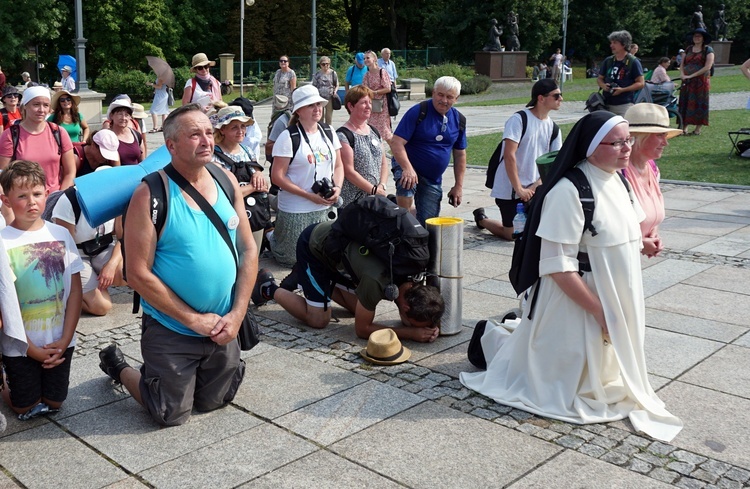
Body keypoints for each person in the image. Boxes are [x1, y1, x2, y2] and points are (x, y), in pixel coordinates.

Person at [460, 111, 684, 443]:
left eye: (628, 140)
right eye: (618, 142)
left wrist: (642, 243)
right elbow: (557, 266)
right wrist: (598, 310)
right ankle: (490, 339)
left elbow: (619, 233)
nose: (627, 148)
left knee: (600, 365)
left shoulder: (620, 180)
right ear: (592, 146)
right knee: (558, 376)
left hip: (611, 293)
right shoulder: (568, 192)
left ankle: (507, 335)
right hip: (577, 297)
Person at [97, 104, 257, 427]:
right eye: (194, 134)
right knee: (170, 412)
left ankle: (182, 375)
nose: (207, 141)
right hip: (172, 327)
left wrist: (237, 315)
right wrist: (194, 320)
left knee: (215, 401)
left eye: (209, 133)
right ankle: (121, 368)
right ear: (171, 145)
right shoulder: (151, 194)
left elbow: (249, 249)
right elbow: (137, 274)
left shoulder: (225, 180)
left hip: (223, 323)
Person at [252, 220, 444, 343]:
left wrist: (430, 326)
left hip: (341, 256)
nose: (409, 325)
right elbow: (362, 329)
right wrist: (410, 334)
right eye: (413, 322)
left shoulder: (414, 272)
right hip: (314, 246)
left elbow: (406, 318)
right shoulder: (376, 281)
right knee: (319, 319)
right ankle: (268, 287)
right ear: (406, 308)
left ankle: (310, 281)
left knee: (357, 309)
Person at [1, 160, 83, 420]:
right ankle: (4, 382)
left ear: (47, 193)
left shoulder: (61, 234)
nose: (31, 202)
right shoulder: (3, 240)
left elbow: (75, 291)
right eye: (22, 196)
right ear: (6, 199)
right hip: (20, 344)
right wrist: (29, 348)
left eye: (36, 194)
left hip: (59, 338)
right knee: (24, 406)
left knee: (54, 402)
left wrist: (65, 339)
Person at [474, 79, 563, 239]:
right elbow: (509, 155)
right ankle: (482, 220)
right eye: (556, 96)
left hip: (535, 187)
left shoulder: (554, 128)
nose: (561, 99)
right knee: (512, 235)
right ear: (541, 98)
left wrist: (536, 186)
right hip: (510, 188)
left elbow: (553, 163)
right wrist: (519, 188)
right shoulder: (519, 119)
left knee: (532, 231)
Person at [270, 85, 343, 267]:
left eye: (319, 104)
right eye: (311, 105)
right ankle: (271, 235)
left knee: (323, 256)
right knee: (291, 260)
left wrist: (338, 188)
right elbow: (277, 177)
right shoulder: (288, 137)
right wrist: (308, 195)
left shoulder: (328, 132)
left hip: (324, 206)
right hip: (297, 207)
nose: (317, 109)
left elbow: (339, 165)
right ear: (299, 111)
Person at [390, 76, 467, 226]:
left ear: (456, 98)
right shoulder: (419, 112)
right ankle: (401, 225)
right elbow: (396, 142)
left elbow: (460, 154)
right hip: (408, 165)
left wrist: (458, 186)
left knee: (428, 223)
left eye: (449, 97)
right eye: (440, 95)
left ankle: (417, 239)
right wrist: (407, 168)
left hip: (432, 178)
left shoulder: (459, 119)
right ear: (433, 93)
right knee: (406, 185)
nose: (444, 100)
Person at [51, 170, 125, 316]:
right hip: (75, 254)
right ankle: (68, 293)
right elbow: (65, 248)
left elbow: (123, 239)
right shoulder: (69, 201)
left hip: (102, 247)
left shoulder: (117, 198)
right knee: (101, 307)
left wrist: (111, 266)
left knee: (127, 273)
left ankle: (92, 283)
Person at [623, 104, 681, 258]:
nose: (665, 142)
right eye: (660, 135)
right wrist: (640, 243)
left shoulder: (653, 169)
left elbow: (649, 215)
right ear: (640, 136)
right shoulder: (617, 174)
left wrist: (653, 232)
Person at [210, 105, 269, 254]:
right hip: (229, 217)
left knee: (254, 255)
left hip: (254, 214)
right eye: (234, 127)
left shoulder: (247, 150)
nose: (241, 131)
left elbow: (262, 182)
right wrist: (254, 187)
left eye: (243, 126)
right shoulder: (214, 156)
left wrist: (258, 174)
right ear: (222, 129)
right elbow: (224, 193)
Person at [0, 86, 76, 194]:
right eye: (36, 104)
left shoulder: (59, 132)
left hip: (55, 199)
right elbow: (3, 175)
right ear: (25, 106)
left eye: (46, 105)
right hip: (24, 202)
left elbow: (70, 172)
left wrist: (59, 198)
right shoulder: (10, 135)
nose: (41, 110)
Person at [336, 85, 389, 206]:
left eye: (370, 102)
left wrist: (382, 185)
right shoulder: (343, 135)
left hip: (376, 198)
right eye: (364, 103)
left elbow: (383, 162)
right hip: (354, 202)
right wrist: (373, 190)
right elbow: (349, 171)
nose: (369, 106)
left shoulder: (374, 131)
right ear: (351, 106)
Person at [597, 30, 645, 116]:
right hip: (606, 104)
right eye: (611, 43)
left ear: (624, 44)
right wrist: (604, 86)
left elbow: (641, 83)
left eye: (615, 43)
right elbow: (600, 79)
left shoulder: (633, 62)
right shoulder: (608, 61)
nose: (611, 45)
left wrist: (622, 90)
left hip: (624, 105)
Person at [679, 27, 714, 136]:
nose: (696, 38)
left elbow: (707, 66)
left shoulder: (708, 50)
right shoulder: (688, 49)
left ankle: (698, 128)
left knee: (699, 103)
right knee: (685, 102)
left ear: (703, 38)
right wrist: (682, 74)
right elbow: (682, 64)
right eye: (695, 36)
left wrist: (692, 75)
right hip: (687, 81)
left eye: (699, 36)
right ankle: (683, 127)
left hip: (701, 81)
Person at [362, 50, 392, 142]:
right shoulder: (367, 74)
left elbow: (388, 88)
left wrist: (375, 92)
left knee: (385, 131)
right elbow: (364, 88)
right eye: (364, 58)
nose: (365, 60)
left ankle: (397, 152)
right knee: (373, 131)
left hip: (382, 106)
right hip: (371, 106)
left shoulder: (381, 72)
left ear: (374, 59)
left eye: (368, 58)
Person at [107, 97, 144, 165]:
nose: (123, 118)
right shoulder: (106, 136)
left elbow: (143, 162)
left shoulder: (136, 135)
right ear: (111, 115)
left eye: (126, 115)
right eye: (120, 114)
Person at [311, 56, 339, 126]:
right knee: (320, 116)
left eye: (327, 64)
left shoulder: (333, 73)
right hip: (319, 98)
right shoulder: (317, 74)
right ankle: (320, 128)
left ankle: (328, 129)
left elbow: (337, 84)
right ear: (320, 65)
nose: (326, 65)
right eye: (323, 64)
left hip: (329, 97)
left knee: (328, 116)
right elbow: (314, 85)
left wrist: (335, 91)